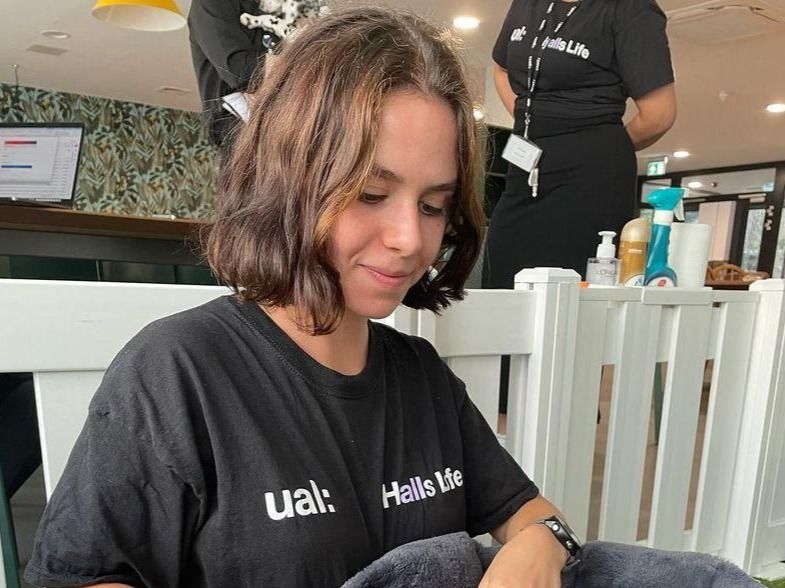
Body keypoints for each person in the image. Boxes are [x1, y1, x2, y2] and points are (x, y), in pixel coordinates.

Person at [25, 7, 579, 587]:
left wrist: (541, 544)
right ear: (291, 181)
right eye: (370, 192)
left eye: (433, 204)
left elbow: (534, 514)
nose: (410, 239)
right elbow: (81, 576)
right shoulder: (178, 369)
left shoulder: (423, 378)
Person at [483, 0, 677, 288]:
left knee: (570, 293)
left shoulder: (630, 9)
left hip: (590, 176)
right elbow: (501, 68)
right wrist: (532, 120)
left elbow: (658, 114)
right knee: (502, 282)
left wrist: (595, 146)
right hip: (525, 164)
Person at [187, 0, 276, 146]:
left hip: (279, 117)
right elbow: (241, 71)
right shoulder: (210, 3)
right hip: (239, 122)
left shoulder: (276, 11)